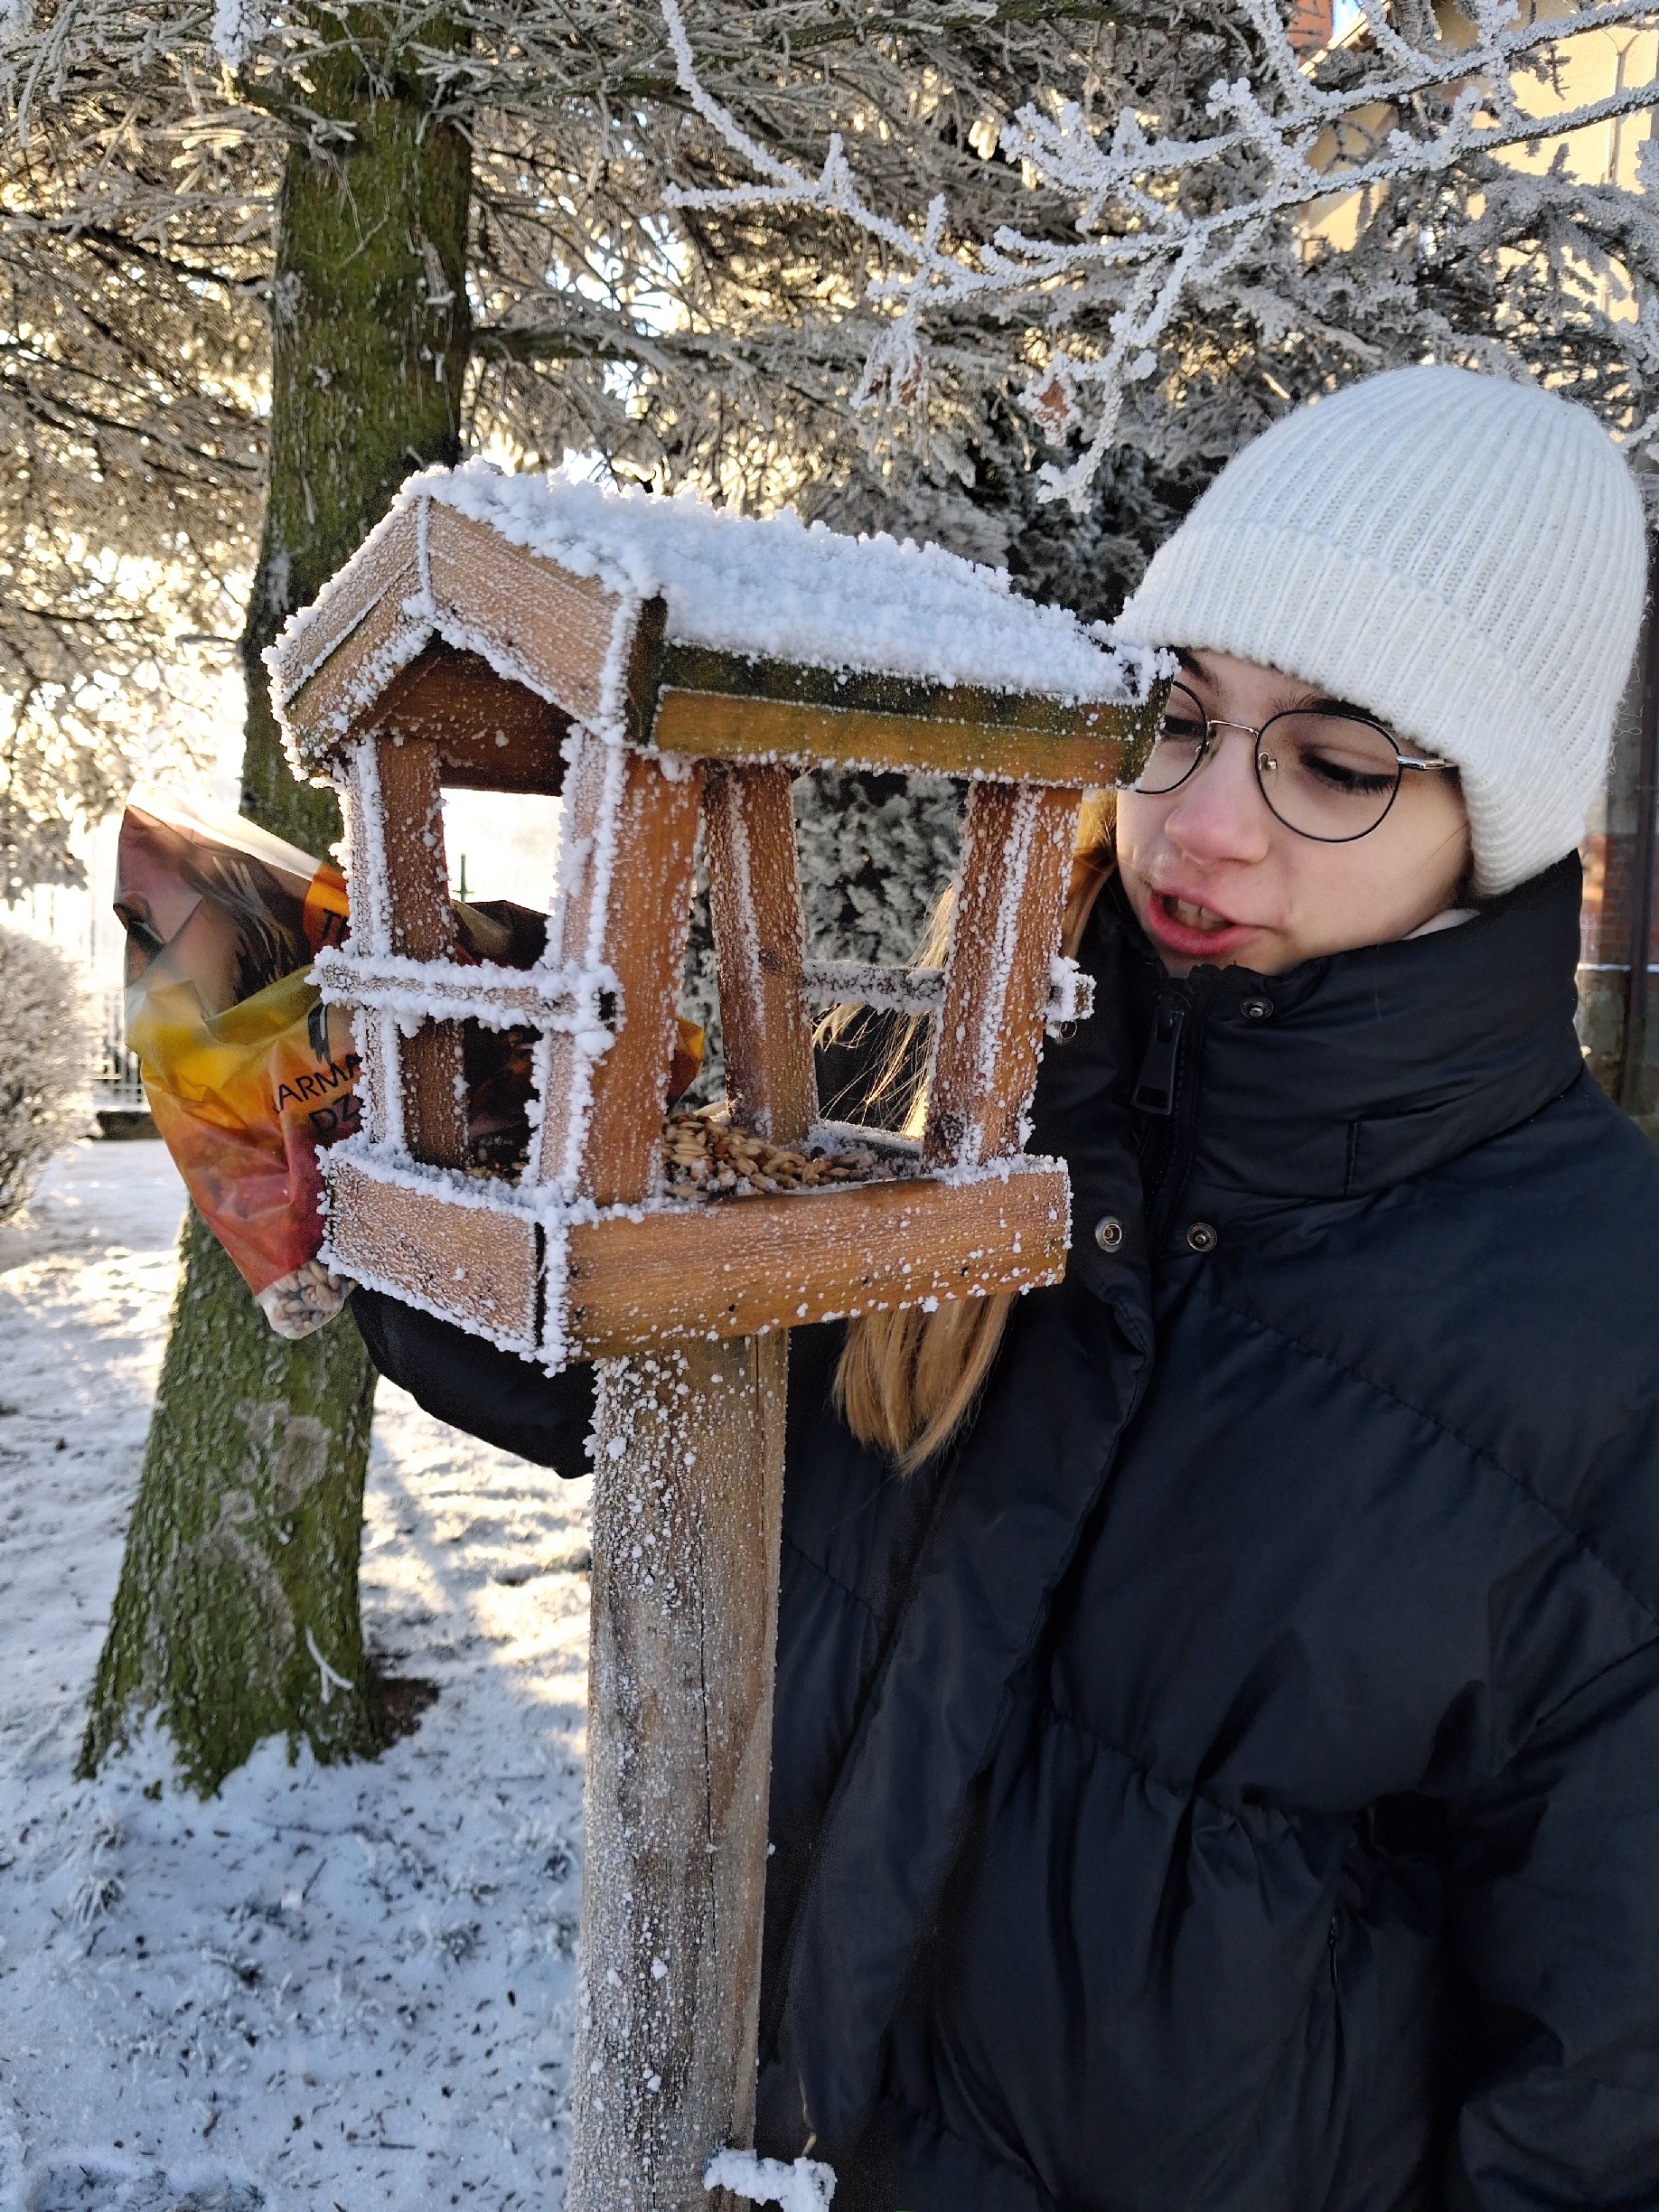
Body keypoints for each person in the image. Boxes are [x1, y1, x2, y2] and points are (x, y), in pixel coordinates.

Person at [353, 365, 1659, 2209]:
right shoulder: (949, 1091)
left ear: (1496, 827)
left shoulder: (1608, 1334)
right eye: (1176, 720)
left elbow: (1606, 2092)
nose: (1201, 825)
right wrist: (398, 1184)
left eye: (1336, 764)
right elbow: (660, 1374)